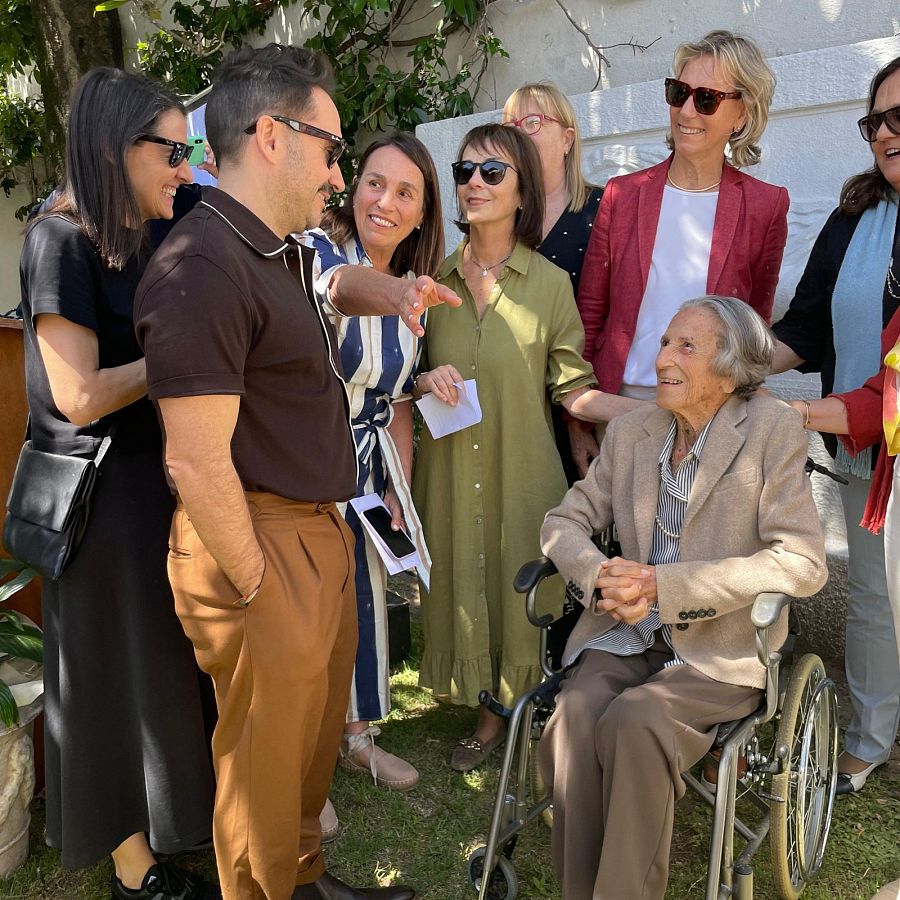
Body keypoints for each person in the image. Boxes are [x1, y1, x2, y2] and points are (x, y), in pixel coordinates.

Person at [134, 44, 459, 900]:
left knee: (308, 756)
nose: (337, 170)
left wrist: (394, 296)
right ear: (273, 136)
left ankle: (306, 883)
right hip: (255, 537)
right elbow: (194, 459)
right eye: (331, 146)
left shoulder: (282, 247)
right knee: (262, 777)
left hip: (319, 527)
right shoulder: (201, 266)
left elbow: (335, 280)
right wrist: (256, 586)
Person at [538, 296, 828, 900]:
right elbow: (562, 523)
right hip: (626, 633)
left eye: (685, 347)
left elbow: (802, 561)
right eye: (665, 342)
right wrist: (598, 575)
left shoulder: (772, 431)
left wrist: (665, 588)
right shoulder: (634, 430)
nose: (662, 357)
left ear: (730, 369)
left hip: (720, 648)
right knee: (575, 715)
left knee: (638, 720)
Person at [18, 68, 217, 899]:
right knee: (110, 685)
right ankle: (134, 870)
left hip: (154, 482)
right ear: (113, 147)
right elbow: (80, 394)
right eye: (172, 150)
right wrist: (178, 352)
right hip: (98, 500)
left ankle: (183, 825)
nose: (186, 166)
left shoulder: (158, 222)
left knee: (165, 672)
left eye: (190, 147)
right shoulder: (57, 238)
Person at [411, 123, 637, 773]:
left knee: (515, 590)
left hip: (521, 471)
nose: (473, 184)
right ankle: (482, 698)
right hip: (451, 472)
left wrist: (657, 411)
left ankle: (503, 712)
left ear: (522, 191)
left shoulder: (548, 285)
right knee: (462, 574)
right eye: (463, 171)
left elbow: (574, 389)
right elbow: (399, 372)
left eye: (492, 172)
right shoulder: (430, 280)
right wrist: (423, 376)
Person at [574, 29, 789, 476]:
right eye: (679, 93)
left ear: (741, 113)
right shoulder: (622, 195)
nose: (687, 111)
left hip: (710, 414)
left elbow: (754, 328)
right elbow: (589, 315)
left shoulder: (766, 206)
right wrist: (578, 421)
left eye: (707, 98)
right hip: (621, 407)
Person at [771, 55, 900, 796]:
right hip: (864, 455)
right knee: (875, 603)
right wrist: (742, 366)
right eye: (874, 121)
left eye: (898, 116)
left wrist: (802, 415)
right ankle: (870, 736)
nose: (883, 133)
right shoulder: (855, 216)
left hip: (862, 423)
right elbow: (807, 326)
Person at [304, 133, 444, 803]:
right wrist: (389, 292)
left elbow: (396, 407)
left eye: (404, 192)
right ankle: (304, 763)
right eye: (373, 183)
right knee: (309, 613)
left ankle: (356, 740)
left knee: (362, 603)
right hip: (309, 464)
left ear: (422, 213)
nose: (384, 201)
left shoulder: (414, 298)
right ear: (353, 188)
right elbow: (337, 292)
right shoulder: (322, 257)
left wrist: (397, 489)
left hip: (367, 465)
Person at [502, 82, 603, 483]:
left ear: (567, 139)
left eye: (532, 122)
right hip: (516, 404)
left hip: (587, 400)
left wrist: (580, 421)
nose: (518, 134)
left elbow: (611, 318)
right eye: (510, 125)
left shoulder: (603, 210)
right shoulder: (500, 219)